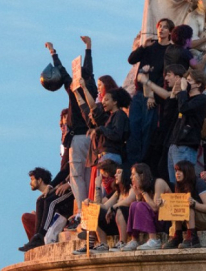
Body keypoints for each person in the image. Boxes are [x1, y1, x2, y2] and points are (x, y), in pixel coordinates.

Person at [46, 37, 97, 206]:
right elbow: (89, 69)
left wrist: (53, 52)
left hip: (78, 138)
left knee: (77, 175)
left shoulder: (74, 88)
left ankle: (84, 211)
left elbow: (62, 71)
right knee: (90, 173)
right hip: (92, 137)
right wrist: (88, 48)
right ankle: (90, 204)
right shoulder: (92, 89)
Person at [127, 19, 175, 165]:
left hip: (154, 96)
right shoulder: (149, 47)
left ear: (170, 32)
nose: (161, 30)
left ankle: (144, 163)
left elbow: (163, 76)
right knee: (134, 127)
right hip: (139, 92)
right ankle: (133, 164)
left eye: (165, 27)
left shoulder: (169, 51)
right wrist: (142, 46)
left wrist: (152, 95)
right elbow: (131, 59)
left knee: (148, 129)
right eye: (160, 27)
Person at [164, 159, 206, 249]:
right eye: (176, 171)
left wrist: (194, 204)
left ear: (187, 172)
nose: (177, 173)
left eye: (180, 171)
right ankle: (177, 236)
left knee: (188, 206)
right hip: (197, 217)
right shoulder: (179, 185)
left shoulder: (199, 183)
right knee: (175, 205)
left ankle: (192, 238)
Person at [167, 68, 206, 184]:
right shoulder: (184, 98)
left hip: (186, 145)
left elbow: (184, 109)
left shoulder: (201, 99)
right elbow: (168, 115)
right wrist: (173, 93)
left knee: (184, 182)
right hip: (175, 144)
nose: (186, 82)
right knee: (174, 183)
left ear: (199, 84)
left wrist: (183, 91)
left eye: (189, 80)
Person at [19, 167, 74, 252]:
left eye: (32, 179)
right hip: (53, 213)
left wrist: (69, 183)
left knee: (27, 217)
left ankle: (40, 236)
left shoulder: (57, 190)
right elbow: (65, 170)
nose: (30, 183)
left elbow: (76, 170)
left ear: (40, 180)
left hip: (64, 214)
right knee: (40, 202)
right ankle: (36, 238)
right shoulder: (42, 199)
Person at [126, 163, 171, 251]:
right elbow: (139, 210)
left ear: (141, 175)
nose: (131, 177)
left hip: (166, 219)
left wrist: (143, 192)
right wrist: (138, 196)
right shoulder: (143, 187)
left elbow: (154, 208)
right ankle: (134, 239)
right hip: (155, 219)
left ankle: (154, 239)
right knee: (134, 204)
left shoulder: (158, 183)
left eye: (133, 174)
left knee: (140, 205)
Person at [94, 88, 132, 165]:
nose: (103, 102)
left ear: (115, 102)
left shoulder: (119, 115)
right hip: (107, 156)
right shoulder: (113, 116)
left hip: (111, 156)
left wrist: (101, 129)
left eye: (107, 100)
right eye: (103, 100)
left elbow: (116, 134)